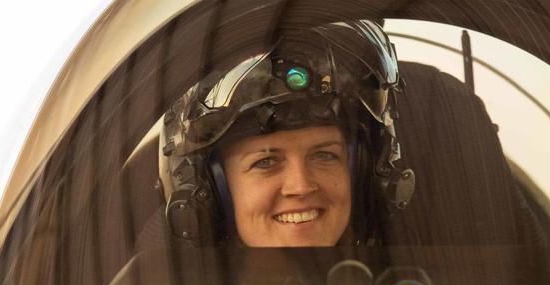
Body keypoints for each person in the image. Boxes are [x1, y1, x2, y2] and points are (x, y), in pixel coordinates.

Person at [158, 19, 415, 247]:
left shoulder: (428, 283)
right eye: (265, 161)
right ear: (209, 193)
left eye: (325, 155)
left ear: (365, 175)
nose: (301, 186)